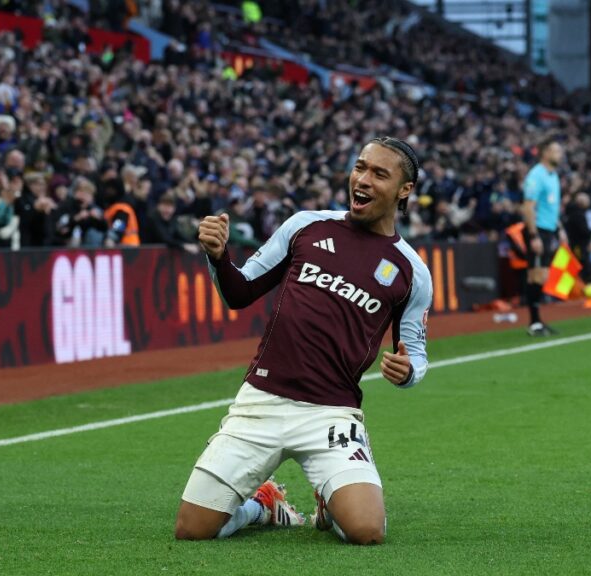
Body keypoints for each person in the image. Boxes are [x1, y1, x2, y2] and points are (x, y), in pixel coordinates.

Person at [174, 136, 432, 544]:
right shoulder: (305, 226)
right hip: (261, 401)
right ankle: (263, 505)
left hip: (331, 414)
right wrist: (219, 256)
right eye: (360, 167)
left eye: (379, 174)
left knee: (367, 532)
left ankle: (331, 498)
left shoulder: (411, 272)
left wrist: (407, 372)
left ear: (405, 190)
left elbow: (415, 356)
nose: (362, 180)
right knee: (192, 530)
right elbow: (240, 292)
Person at [521, 138, 567, 336]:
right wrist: (533, 235)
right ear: (545, 153)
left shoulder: (553, 175)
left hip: (548, 229)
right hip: (538, 230)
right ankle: (534, 323)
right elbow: (528, 207)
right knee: (537, 275)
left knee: (540, 275)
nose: (560, 154)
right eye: (556, 151)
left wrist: (560, 227)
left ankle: (537, 321)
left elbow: (550, 207)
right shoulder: (536, 175)